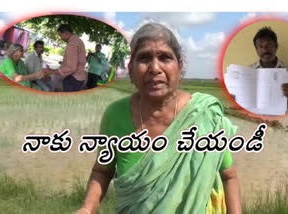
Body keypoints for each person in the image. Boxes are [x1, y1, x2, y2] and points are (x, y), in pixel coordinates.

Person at [76, 23, 242, 214]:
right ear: (131, 69)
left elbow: (229, 177)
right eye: (144, 58)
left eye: (165, 57)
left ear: (180, 66)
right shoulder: (116, 115)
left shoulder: (205, 115)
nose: (155, 68)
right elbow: (102, 171)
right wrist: (88, 208)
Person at [249, 26, 288, 111]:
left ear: (276, 46)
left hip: (283, 121)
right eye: (261, 47)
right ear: (256, 50)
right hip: (257, 119)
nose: (265, 50)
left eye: (269, 45)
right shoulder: (249, 71)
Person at [46, 24, 86, 92]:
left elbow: (71, 68)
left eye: (61, 35)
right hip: (79, 77)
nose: (61, 38)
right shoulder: (78, 41)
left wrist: (52, 72)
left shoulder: (72, 44)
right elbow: (77, 60)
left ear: (66, 33)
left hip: (73, 78)